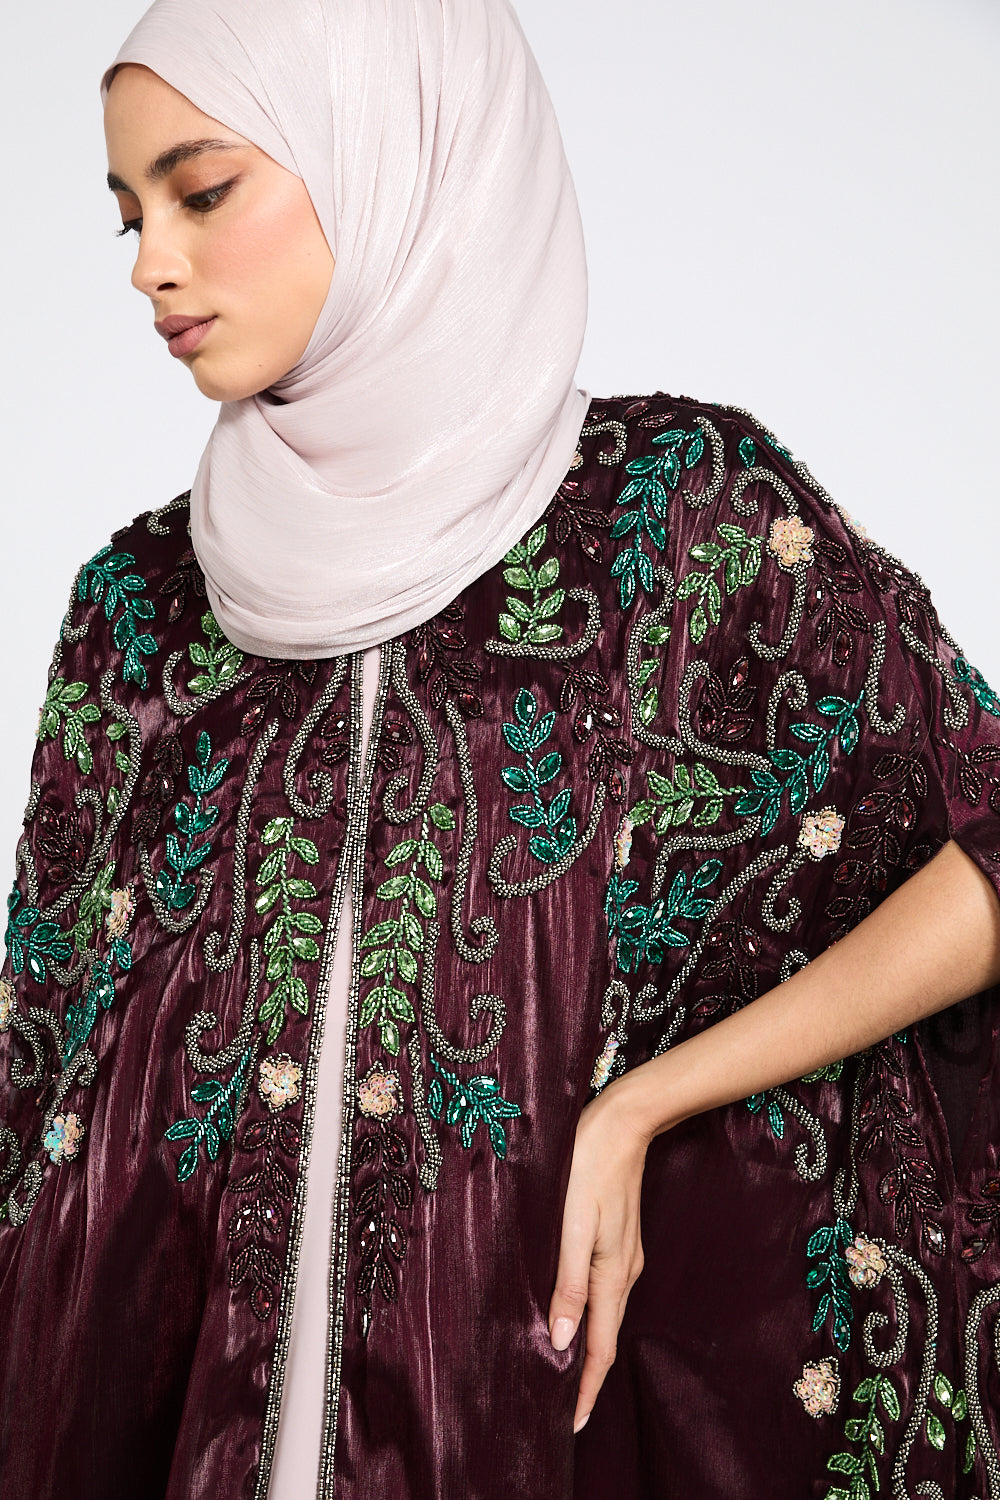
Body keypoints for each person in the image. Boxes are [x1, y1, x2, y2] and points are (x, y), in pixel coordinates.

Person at [1, 1, 998, 1497]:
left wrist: (647, 1102)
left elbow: (984, 848)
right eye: (130, 215)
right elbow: (38, 1103)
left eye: (200, 192)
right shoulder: (136, 611)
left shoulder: (679, 524)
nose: (151, 263)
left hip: (554, 1427)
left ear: (394, 155)